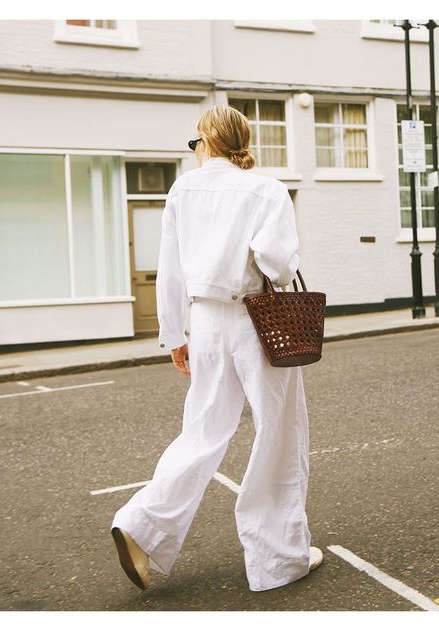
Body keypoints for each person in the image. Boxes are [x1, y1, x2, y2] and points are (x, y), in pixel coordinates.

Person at [111, 104, 323, 592]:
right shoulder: (266, 189)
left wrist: (174, 335)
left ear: (206, 142)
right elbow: (278, 266)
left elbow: (170, 268)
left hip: (203, 320)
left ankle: (140, 524)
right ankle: (278, 558)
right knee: (279, 431)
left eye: (195, 143)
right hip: (256, 321)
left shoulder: (183, 188)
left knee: (203, 430)